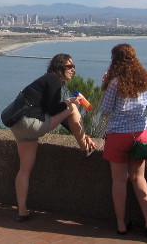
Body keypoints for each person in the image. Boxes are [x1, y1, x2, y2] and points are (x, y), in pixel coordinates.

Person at [9, 53, 96, 222]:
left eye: (73, 66)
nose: (73, 69)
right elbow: (57, 110)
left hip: (18, 126)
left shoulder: (46, 80)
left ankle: (22, 211)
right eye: (70, 66)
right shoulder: (53, 79)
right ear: (59, 67)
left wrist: (67, 105)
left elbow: (56, 114)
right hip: (32, 123)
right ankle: (85, 147)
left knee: (24, 170)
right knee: (72, 108)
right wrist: (71, 102)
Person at [100, 43, 147, 236]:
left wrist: (105, 86)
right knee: (138, 177)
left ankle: (121, 224)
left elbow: (106, 110)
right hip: (140, 134)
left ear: (115, 59)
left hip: (117, 135)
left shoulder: (114, 81)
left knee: (119, 181)